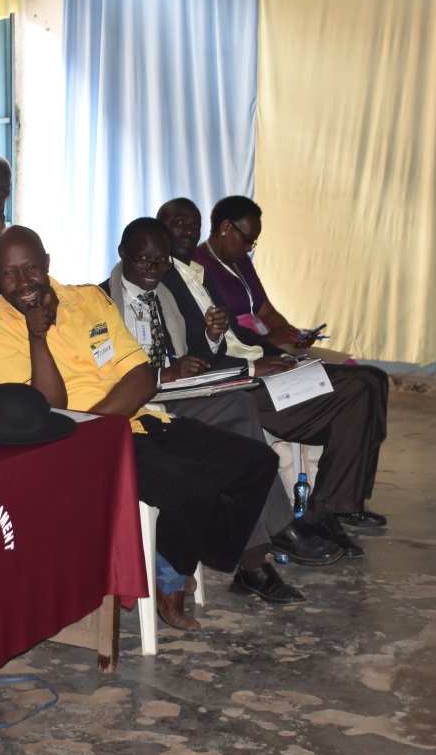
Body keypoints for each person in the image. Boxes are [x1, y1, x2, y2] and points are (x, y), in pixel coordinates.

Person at [0, 226, 279, 628]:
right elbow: (50, 407)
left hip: (137, 421)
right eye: (9, 274)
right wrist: (38, 337)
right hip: (77, 449)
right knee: (195, 486)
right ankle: (171, 574)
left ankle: (178, 556)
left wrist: (98, 424)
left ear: (47, 263)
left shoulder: (88, 299)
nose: (24, 282)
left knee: (256, 460)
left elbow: (142, 376)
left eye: (31, 268)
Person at [101, 218, 344, 609]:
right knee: (240, 419)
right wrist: (162, 374)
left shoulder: (165, 290)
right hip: (142, 404)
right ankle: (260, 551)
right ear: (123, 255)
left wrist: (212, 336)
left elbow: (194, 352)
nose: (153, 272)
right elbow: (104, 372)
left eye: (162, 264)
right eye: (144, 262)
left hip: (180, 393)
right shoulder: (101, 301)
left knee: (242, 407)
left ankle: (258, 550)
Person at [164, 196, 390, 549]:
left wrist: (287, 344)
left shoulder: (211, 271)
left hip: (259, 360)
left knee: (372, 380)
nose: (189, 233)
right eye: (179, 223)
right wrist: (259, 360)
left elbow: (261, 317)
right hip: (243, 381)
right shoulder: (180, 277)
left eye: (192, 225)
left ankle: (340, 500)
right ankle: (329, 505)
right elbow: (203, 352)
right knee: (358, 390)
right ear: (225, 228)